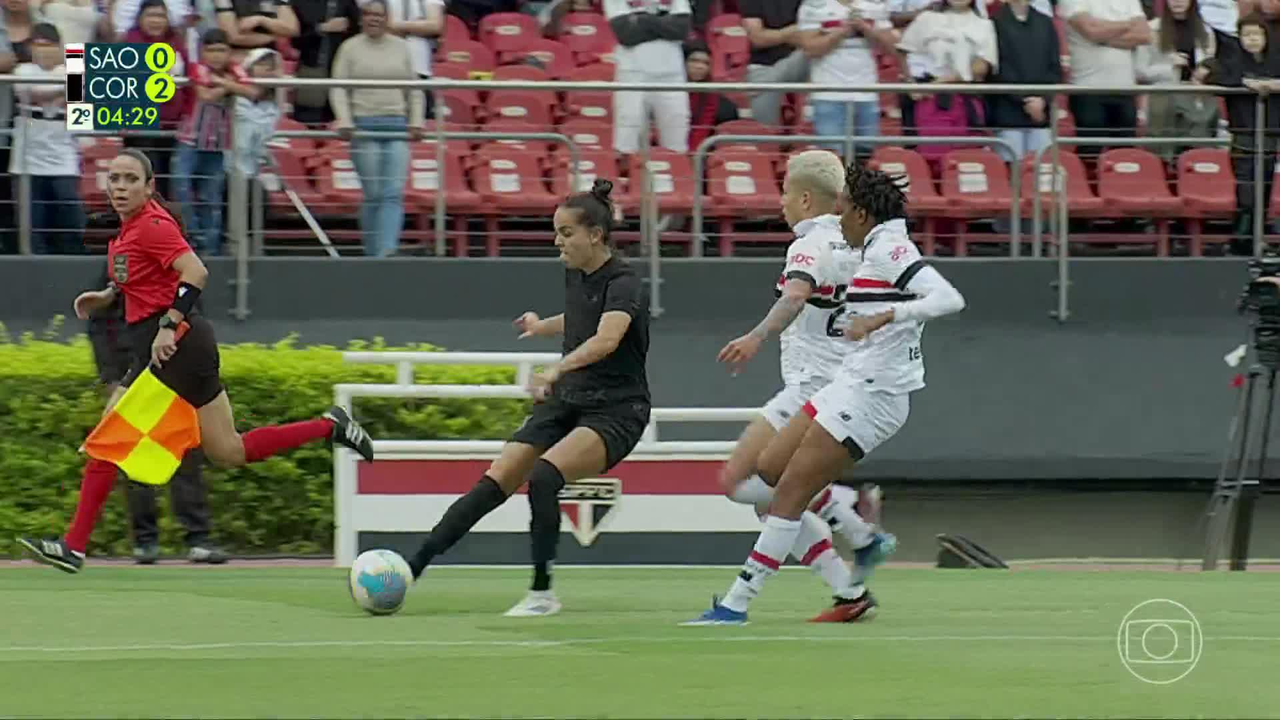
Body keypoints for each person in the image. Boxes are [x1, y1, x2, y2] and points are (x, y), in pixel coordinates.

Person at [17, 149, 375, 574]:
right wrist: (108, 296)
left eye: (131, 179)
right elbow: (146, 276)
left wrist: (168, 326)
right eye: (114, 179)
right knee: (229, 450)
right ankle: (331, 425)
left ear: (150, 187)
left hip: (174, 346)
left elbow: (196, 272)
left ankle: (73, 547)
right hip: (177, 346)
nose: (120, 187)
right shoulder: (129, 230)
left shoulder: (151, 225)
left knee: (108, 438)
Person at [685, 163, 966, 625]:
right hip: (845, 381)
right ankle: (852, 527)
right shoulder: (865, 245)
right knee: (772, 470)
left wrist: (886, 318)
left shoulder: (883, 248)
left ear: (856, 209)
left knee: (780, 492)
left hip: (865, 392)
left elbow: (947, 298)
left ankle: (737, 602)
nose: (840, 214)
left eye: (845, 207)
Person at [405, 180, 651, 618]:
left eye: (566, 233)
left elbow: (607, 338)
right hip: (569, 399)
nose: (558, 242)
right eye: (556, 233)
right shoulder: (576, 273)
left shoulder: (625, 282)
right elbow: (581, 318)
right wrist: (542, 327)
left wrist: (555, 368)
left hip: (616, 408)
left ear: (595, 234)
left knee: (542, 479)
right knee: (496, 480)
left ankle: (541, 594)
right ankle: (411, 567)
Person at [715, 150, 893, 601]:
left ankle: (851, 522)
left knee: (742, 482)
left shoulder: (809, 244)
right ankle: (847, 584)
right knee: (766, 495)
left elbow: (795, 296)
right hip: (843, 382)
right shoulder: (859, 243)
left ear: (808, 199)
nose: (781, 203)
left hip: (813, 387)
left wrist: (756, 336)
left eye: (786, 193)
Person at [86, 267, 227, 564]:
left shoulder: (180, 269)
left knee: (186, 451)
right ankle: (145, 541)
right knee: (134, 456)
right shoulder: (119, 265)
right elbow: (99, 324)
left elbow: (194, 318)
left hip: (172, 370)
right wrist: (111, 376)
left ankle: (199, 538)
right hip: (132, 370)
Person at [330, 0, 426, 257]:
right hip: (363, 126)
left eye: (379, 15)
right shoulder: (349, 48)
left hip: (397, 126)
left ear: (387, 18)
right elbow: (338, 87)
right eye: (369, 14)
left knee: (393, 193)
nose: (374, 19)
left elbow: (414, 90)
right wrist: (345, 120)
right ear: (362, 18)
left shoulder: (402, 48)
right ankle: (372, 253)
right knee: (374, 194)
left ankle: (386, 252)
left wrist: (416, 120)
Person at [174, 29, 258, 255]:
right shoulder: (196, 67)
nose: (216, 55)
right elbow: (205, 95)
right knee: (180, 187)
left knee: (211, 198)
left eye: (221, 50)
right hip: (190, 140)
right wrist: (230, 85)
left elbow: (252, 92)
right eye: (211, 50)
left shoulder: (235, 69)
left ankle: (211, 250)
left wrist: (222, 83)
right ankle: (194, 236)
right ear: (202, 51)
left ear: (229, 52)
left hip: (217, 144)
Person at [11, 22, 85, 255]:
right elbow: (34, 93)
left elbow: (77, 101)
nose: (43, 50)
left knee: (70, 214)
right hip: (27, 159)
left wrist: (72, 79)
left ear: (59, 46)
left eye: (49, 45)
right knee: (33, 224)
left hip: (63, 155)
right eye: (38, 45)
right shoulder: (22, 71)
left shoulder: (69, 69)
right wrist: (66, 86)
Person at [796, 0, 898, 159]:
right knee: (831, 159)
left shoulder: (875, 5)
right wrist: (842, 31)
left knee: (865, 157)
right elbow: (810, 49)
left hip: (867, 93)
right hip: (828, 94)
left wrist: (866, 29)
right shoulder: (813, 5)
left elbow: (892, 47)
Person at [604, 0, 692, 155]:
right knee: (627, 140)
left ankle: (674, 177)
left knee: (677, 142)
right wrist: (663, 22)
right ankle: (626, 179)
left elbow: (681, 30)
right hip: (632, 76)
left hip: (672, 77)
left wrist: (644, 19)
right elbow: (626, 35)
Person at [739, 0, 807, 126]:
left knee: (808, 53)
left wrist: (774, 36)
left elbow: (811, 39)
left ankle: (766, 83)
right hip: (763, 66)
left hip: (802, 65)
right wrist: (789, 33)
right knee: (764, 128)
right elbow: (757, 39)